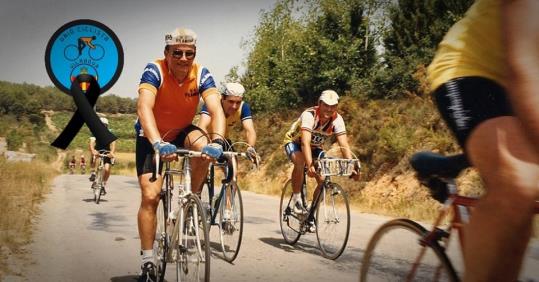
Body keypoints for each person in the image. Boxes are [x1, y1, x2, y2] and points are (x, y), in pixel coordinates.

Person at [427, 0, 539, 280]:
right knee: (519, 180)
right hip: (469, 71)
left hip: (518, 84)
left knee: (520, 212)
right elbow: (523, 64)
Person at [134, 27, 226, 282]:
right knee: (151, 196)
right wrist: (156, 143)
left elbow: (216, 109)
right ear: (167, 53)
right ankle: (148, 260)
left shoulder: (202, 73)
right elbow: (144, 106)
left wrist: (217, 141)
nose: (184, 58)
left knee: (203, 146)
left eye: (189, 53)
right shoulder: (155, 70)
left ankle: (193, 197)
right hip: (151, 134)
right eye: (177, 53)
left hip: (182, 130)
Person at [283, 90, 359, 228]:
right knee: (300, 163)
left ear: (336, 107)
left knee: (323, 179)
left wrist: (351, 163)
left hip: (315, 147)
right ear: (319, 104)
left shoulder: (337, 119)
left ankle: (311, 213)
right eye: (326, 105)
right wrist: (310, 164)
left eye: (333, 106)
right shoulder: (309, 115)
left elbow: (343, 144)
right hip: (295, 143)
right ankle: (297, 199)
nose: (329, 109)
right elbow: (305, 142)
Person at [197, 82, 259, 172]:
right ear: (222, 98)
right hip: (205, 138)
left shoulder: (244, 107)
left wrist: (250, 147)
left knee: (233, 168)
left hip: (223, 139)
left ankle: (231, 185)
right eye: (231, 101)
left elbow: (250, 130)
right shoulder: (212, 103)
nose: (234, 106)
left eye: (238, 102)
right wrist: (209, 145)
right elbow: (202, 126)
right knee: (201, 173)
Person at [88, 117, 116, 195]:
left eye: (104, 125)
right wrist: (93, 150)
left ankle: (103, 185)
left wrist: (112, 152)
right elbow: (91, 143)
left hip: (107, 151)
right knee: (95, 155)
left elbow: (113, 143)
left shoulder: (110, 132)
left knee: (107, 169)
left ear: (107, 126)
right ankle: (93, 173)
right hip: (98, 150)